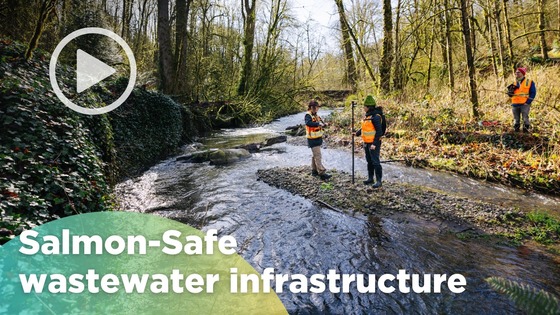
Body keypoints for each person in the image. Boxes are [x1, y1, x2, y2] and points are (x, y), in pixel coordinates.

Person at [355, 95, 384, 188]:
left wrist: (374, 144)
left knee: (375, 161)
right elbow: (365, 128)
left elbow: (379, 132)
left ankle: (379, 181)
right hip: (367, 142)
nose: (363, 108)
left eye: (364, 106)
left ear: (368, 107)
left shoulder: (376, 117)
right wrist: (356, 133)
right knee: (369, 161)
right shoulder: (368, 116)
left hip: (373, 143)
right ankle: (370, 178)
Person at [305, 100, 331, 180]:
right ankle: (322, 173)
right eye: (316, 108)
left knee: (315, 155)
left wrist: (324, 125)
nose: (317, 109)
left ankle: (314, 171)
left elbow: (320, 124)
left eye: (317, 108)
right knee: (318, 155)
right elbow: (308, 123)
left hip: (317, 138)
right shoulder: (308, 115)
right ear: (312, 108)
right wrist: (318, 124)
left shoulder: (317, 116)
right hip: (312, 139)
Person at [508, 67, 536, 132]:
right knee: (516, 119)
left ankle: (525, 133)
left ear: (522, 73)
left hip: (525, 104)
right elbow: (510, 95)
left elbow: (533, 93)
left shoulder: (529, 82)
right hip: (515, 104)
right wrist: (510, 93)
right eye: (516, 72)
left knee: (525, 119)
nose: (516, 73)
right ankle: (516, 132)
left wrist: (528, 102)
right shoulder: (514, 82)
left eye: (518, 72)